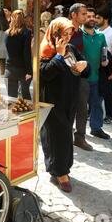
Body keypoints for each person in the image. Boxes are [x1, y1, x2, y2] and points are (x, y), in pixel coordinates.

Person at [40, 17, 89, 192]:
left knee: (66, 135)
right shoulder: (46, 51)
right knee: (56, 136)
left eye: (70, 34)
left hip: (70, 100)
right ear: (55, 34)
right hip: (52, 102)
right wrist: (59, 56)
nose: (68, 38)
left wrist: (84, 65)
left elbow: (85, 68)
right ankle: (60, 173)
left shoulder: (72, 48)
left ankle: (61, 168)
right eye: (64, 34)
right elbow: (44, 73)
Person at [81, 7, 111, 140]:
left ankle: (96, 128)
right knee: (80, 106)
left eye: (94, 16)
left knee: (97, 104)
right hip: (80, 78)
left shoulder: (101, 36)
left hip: (96, 77)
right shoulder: (78, 35)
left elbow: (104, 50)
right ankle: (78, 132)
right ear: (83, 18)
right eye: (88, 16)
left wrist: (105, 60)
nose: (92, 18)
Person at [68, 3, 93, 151]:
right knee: (66, 106)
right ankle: (65, 135)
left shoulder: (82, 32)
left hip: (80, 74)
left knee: (83, 106)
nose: (86, 16)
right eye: (83, 14)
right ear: (73, 15)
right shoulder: (65, 29)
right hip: (65, 74)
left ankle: (80, 137)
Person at [96, 7, 112, 124]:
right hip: (97, 68)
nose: (95, 20)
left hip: (108, 69)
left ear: (105, 19)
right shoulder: (96, 32)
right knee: (96, 92)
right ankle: (94, 113)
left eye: (98, 18)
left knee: (107, 93)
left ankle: (110, 114)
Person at [4, 10, 32, 100]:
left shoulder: (7, 33)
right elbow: (26, 53)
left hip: (9, 68)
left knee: (12, 98)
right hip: (22, 69)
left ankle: (13, 113)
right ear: (23, 19)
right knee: (26, 96)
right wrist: (29, 71)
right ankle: (29, 114)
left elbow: (7, 52)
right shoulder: (26, 32)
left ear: (12, 19)